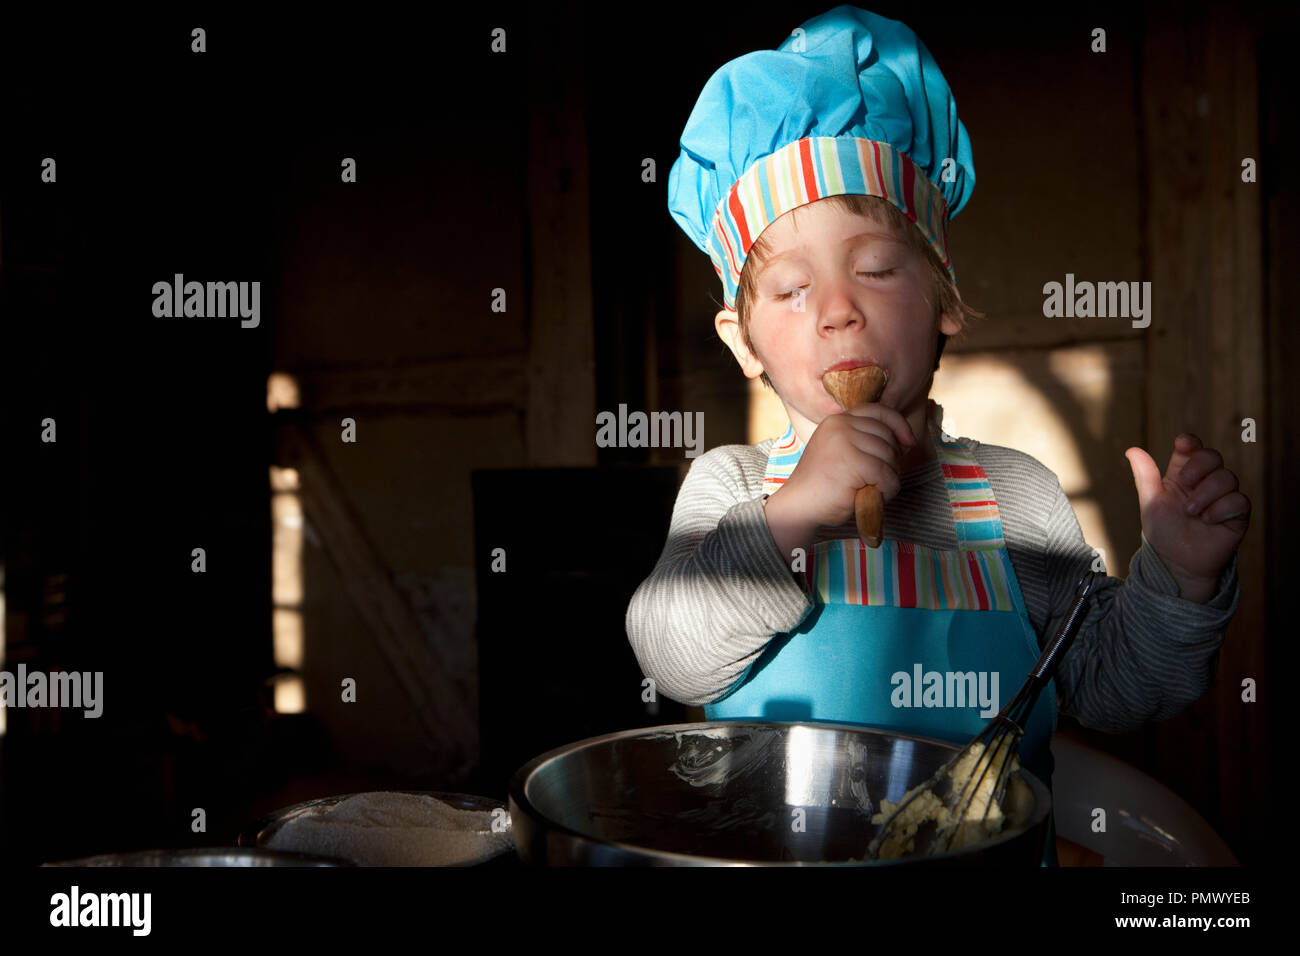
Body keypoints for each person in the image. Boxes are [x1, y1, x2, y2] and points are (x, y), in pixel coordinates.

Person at [626, 4, 1248, 865]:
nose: (840, 310)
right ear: (742, 340)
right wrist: (792, 517)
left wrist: (1179, 578)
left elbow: (1108, 684)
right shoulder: (733, 487)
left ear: (946, 299)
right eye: (791, 290)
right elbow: (672, 654)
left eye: (876, 269)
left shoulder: (1017, 496)